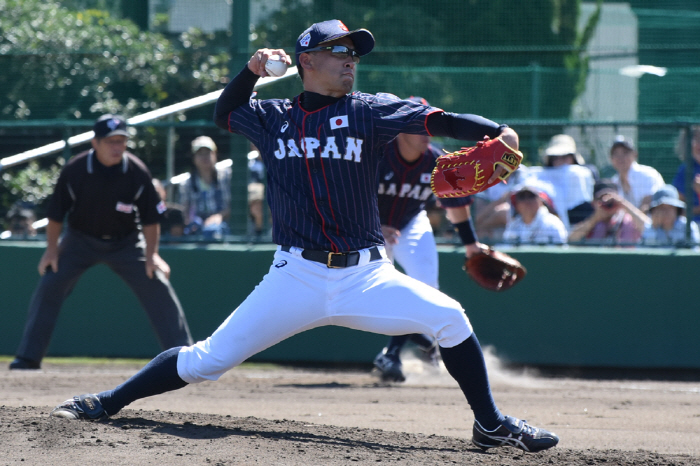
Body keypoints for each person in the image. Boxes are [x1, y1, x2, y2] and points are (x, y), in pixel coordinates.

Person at [49, 20, 558, 453]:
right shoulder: (274, 118)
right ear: (304, 60)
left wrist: (498, 129)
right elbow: (224, 114)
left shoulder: (370, 109)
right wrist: (250, 72)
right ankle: (106, 403)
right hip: (295, 276)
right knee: (206, 361)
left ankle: (489, 426)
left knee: (450, 317)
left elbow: (438, 119)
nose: (350, 59)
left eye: (354, 52)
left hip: (367, 275)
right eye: (338, 50)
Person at [9, 114, 193, 370]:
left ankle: (183, 359)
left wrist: (152, 255)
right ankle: (28, 357)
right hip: (79, 240)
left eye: (122, 141)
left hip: (127, 243)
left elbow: (151, 219)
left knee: (157, 282)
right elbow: (55, 214)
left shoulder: (136, 171)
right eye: (111, 141)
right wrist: (51, 252)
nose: (118, 147)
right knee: (50, 282)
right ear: (95, 143)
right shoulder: (75, 169)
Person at [372, 97, 483, 383]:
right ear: (400, 129)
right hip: (368, 227)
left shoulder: (436, 161)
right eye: (418, 126)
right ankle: (425, 342)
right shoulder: (377, 154)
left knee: (426, 289)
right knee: (382, 292)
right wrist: (374, 225)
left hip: (409, 222)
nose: (426, 133)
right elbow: (350, 197)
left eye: (428, 126)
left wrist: (471, 245)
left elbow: (456, 204)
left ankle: (392, 353)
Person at [530, 134, 596, 230]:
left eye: (565, 157)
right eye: (556, 157)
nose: (560, 161)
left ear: (573, 158)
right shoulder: (539, 178)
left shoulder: (584, 173)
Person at [178, 136, 231, 238]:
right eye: (200, 154)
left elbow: (235, 206)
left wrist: (219, 216)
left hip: (224, 227)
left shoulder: (227, 177)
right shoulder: (186, 183)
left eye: (208, 153)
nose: (204, 157)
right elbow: (184, 211)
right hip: (196, 229)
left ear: (215, 154)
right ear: (193, 158)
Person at [568, 179, 649, 245]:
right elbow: (571, 240)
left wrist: (624, 204)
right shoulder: (590, 221)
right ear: (593, 203)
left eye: (611, 200)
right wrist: (595, 218)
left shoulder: (630, 219)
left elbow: (649, 228)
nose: (607, 203)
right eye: (601, 199)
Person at [609, 135, 665, 213]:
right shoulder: (613, 181)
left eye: (625, 153)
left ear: (635, 154)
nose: (620, 157)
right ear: (611, 159)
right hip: (625, 224)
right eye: (616, 154)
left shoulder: (648, 174)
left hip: (651, 222)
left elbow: (647, 206)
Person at [502, 183, 568, 245]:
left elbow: (561, 252)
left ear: (541, 201)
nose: (527, 201)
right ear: (516, 205)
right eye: (522, 197)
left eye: (531, 196)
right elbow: (505, 249)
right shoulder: (513, 225)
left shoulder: (552, 223)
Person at [672, 125, 700, 223]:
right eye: (695, 138)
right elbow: (678, 208)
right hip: (690, 226)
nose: (698, 144)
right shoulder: (685, 170)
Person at [246, 145, 266, 237]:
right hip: (253, 197)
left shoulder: (283, 158)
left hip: (275, 201)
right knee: (256, 199)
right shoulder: (249, 161)